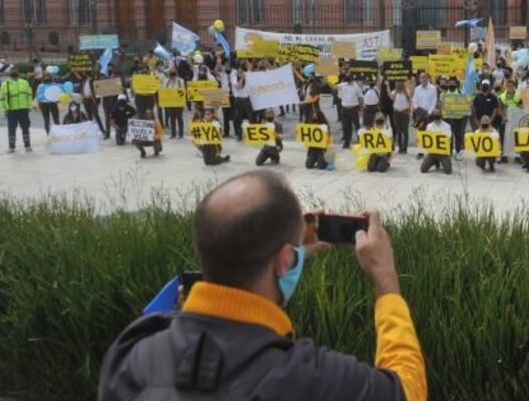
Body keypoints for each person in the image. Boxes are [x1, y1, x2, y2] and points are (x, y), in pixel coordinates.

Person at [98, 170, 426, 401]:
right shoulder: (309, 379)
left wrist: (276, 248)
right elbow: (407, 390)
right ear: (284, 262)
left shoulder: (131, 352)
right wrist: (385, 278)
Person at [0, 66, 33, 153]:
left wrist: (29, 106)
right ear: (9, 73)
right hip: (11, 110)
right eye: (12, 71)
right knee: (11, 129)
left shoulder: (24, 82)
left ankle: (27, 145)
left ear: (18, 72)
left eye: (16, 70)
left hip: (23, 109)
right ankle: (11, 147)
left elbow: (29, 95)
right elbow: (1, 99)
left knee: (25, 128)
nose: (14, 72)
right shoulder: (4, 84)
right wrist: (4, 110)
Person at [472, 80, 502, 163]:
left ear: (489, 87)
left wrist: (490, 120)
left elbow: (495, 109)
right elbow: (474, 108)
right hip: (479, 122)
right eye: (483, 85)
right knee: (480, 137)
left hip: (491, 122)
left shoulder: (493, 96)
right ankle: (481, 156)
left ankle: (492, 157)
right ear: (481, 86)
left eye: (486, 85)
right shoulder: (477, 96)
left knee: (492, 137)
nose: (484, 86)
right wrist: (476, 120)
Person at [419, 110, 452, 175]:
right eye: (435, 113)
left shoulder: (447, 126)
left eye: (438, 113)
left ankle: (440, 161)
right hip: (432, 153)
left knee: (448, 171)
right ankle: (435, 162)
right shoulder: (429, 126)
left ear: (441, 114)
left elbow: (449, 140)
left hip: (443, 153)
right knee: (423, 169)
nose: (437, 115)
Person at [337, 75, 364, 149]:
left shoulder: (356, 86)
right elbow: (333, 87)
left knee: (357, 125)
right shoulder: (342, 85)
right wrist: (328, 80)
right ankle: (347, 142)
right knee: (346, 126)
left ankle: (360, 140)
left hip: (354, 108)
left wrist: (361, 110)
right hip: (345, 109)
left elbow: (361, 98)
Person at [162, 68, 186, 139]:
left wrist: (175, 81)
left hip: (178, 102)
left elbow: (182, 91)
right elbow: (163, 90)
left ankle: (181, 134)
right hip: (170, 102)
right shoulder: (166, 81)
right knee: (172, 118)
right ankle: (173, 134)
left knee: (179, 118)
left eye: (174, 74)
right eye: (171, 74)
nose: (172, 75)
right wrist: (169, 82)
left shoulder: (180, 80)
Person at [390, 80, 412, 154]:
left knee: (405, 131)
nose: (399, 84)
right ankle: (400, 148)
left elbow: (409, 98)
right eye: (397, 83)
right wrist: (394, 90)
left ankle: (405, 148)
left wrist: (405, 91)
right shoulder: (394, 92)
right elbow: (392, 98)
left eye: (400, 83)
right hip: (396, 113)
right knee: (398, 132)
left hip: (405, 113)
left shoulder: (407, 91)